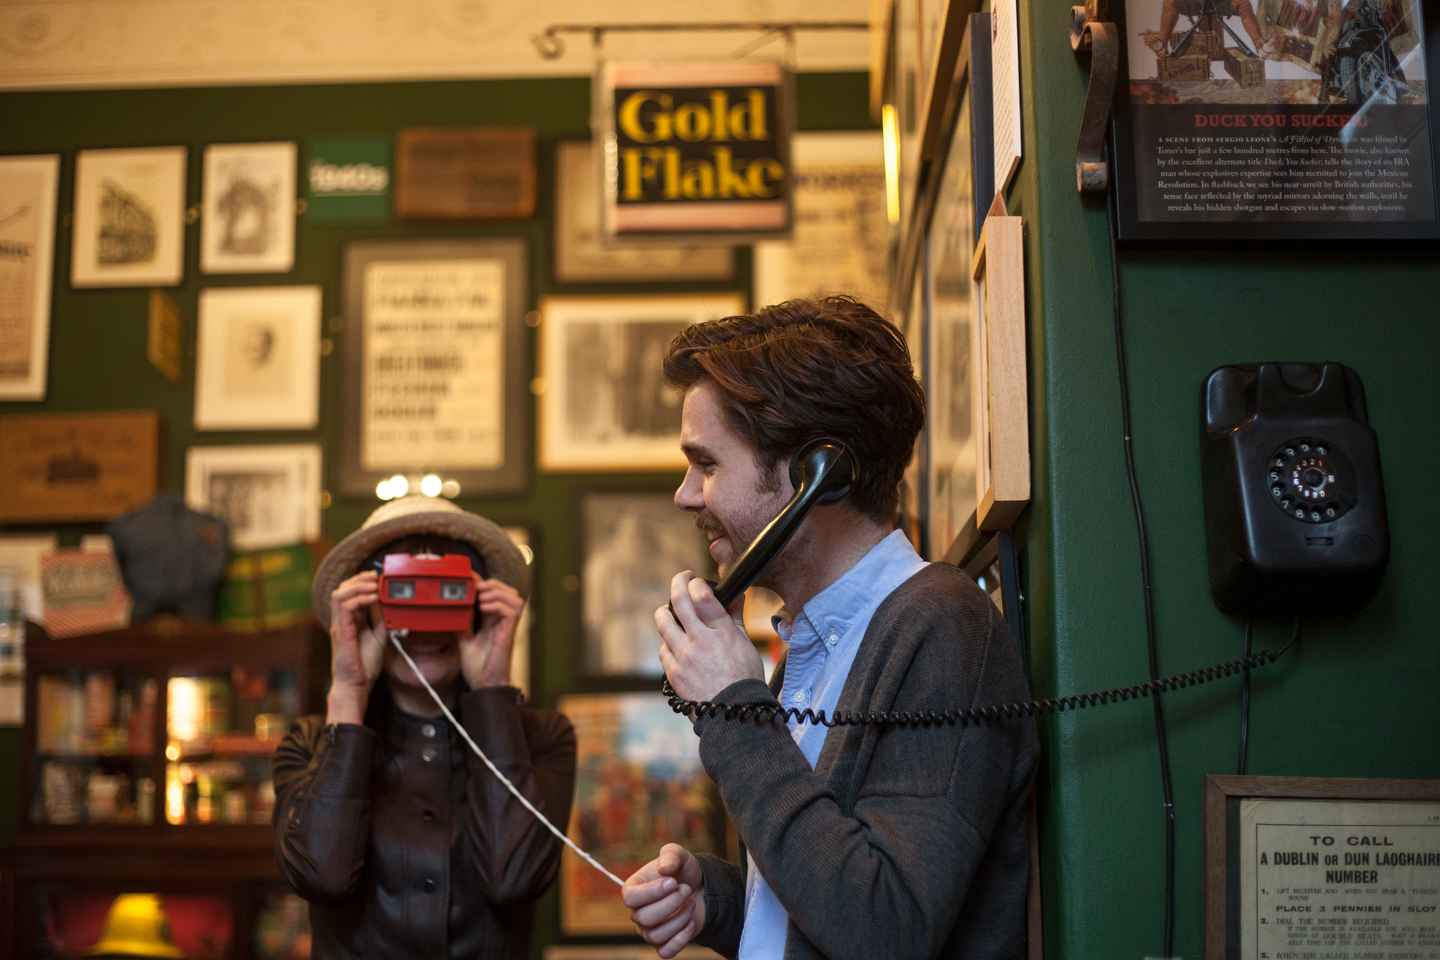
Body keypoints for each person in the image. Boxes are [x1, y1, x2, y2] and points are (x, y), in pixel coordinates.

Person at [621, 296, 1040, 960]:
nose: (685, 494)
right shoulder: (816, 646)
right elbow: (827, 885)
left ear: (819, 475)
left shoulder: (941, 627)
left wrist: (735, 712)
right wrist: (720, 903)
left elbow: (886, 927)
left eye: (707, 465)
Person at [273, 495, 577, 959]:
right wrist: (348, 691)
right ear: (366, 607)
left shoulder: (543, 739)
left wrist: (492, 691)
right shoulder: (309, 743)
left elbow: (514, 880)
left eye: (448, 593)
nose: (426, 625)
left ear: (479, 604)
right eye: (404, 593)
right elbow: (321, 876)